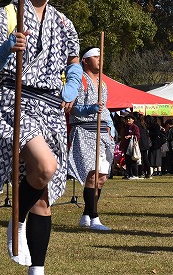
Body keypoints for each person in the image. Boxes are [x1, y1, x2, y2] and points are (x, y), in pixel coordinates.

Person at [0, 0, 80, 274]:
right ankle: (16, 217)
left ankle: (37, 269)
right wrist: (8, 48)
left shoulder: (64, 23)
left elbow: (74, 62)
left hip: (51, 106)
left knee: (44, 195)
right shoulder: (5, 16)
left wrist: (73, 84)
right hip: (17, 102)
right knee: (46, 166)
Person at [67, 47, 115, 231]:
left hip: (102, 132)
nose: (100, 60)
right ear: (85, 61)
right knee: (92, 175)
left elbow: (106, 108)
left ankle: (87, 213)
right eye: (96, 57)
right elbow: (71, 106)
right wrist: (88, 110)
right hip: (86, 130)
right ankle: (94, 217)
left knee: (101, 177)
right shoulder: (79, 80)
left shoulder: (103, 84)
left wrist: (110, 126)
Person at [120, 114, 141, 179]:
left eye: (129, 119)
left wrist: (131, 136)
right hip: (126, 146)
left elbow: (138, 136)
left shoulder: (135, 127)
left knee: (133, 160)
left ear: (133, 120)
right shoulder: (125, 127)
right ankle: (128, 174)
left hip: (132, 146)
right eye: (127, 119)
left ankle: (135, 174)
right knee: (127, 161)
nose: (128, 120)